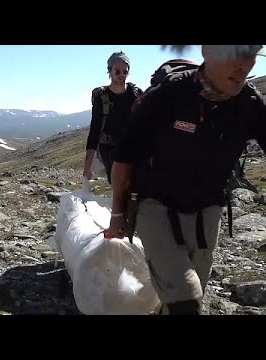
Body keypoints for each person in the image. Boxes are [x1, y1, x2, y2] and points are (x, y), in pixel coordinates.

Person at [104, 45, 266, 315]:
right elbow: (124, 157)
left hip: (207, 211)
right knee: (186, 298)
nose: (243, 65)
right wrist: (118, 214)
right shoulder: (168, 95)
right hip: (155, 207)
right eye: (235, 54)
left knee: (190, 296)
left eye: (251, 55)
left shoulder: (248, 103)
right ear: (209, 51)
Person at [83, 51, 143, 185]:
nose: (121, 75)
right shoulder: (102, 98)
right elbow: (95, 131)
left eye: (125, 71)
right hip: (110, 150)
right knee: (120, 187)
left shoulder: (136, 94)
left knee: (136, 188)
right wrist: (88, 166)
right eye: (117, 71)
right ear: (109, 71)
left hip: (132, 146)